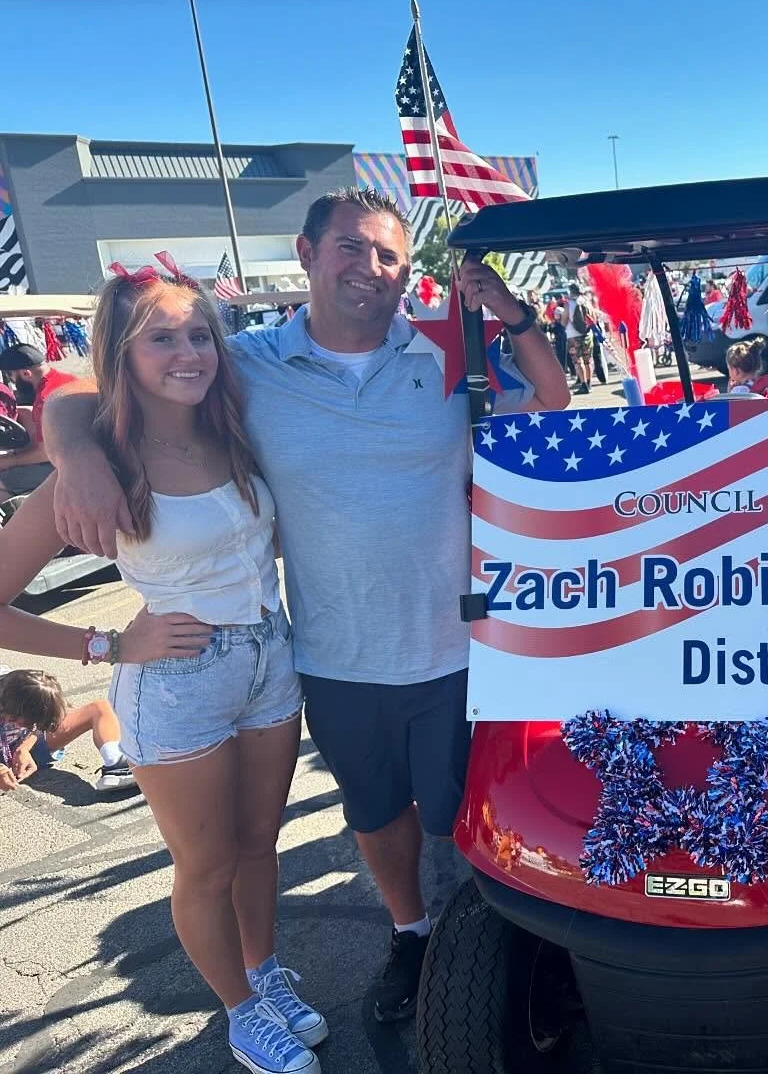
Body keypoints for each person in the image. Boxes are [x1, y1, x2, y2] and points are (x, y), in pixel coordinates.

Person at [44, 187, 569, 1029]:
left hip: (463, 645)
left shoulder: (441, 350)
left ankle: (498, 947)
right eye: (352, 249)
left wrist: (511, 314)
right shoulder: (245, 362)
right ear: (308, 251)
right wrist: (73, 454)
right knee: (373, 812)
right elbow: (87, 375)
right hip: (328, 655)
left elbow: (554, 404)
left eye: (389, 255)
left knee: (471, 814)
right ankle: (413, 933)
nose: (371, 269)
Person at [0, 264, 329, 1074]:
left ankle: (263, 973)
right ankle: (240, 1011)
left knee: (259, 843)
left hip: (269, 658)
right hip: (174, 681)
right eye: (161, 337)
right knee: (207, 864)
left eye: (197, 334)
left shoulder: (232, 423)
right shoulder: (102, 461)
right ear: (122, 349)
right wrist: (104, 646)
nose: (188, 352)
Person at [0, 669, 135, 793]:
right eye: (13, 719)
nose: (21, 725)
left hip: (21, 750)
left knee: (99, 708)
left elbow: (41, 726)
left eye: (30, 723)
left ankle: (117, 765)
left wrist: (23, 748)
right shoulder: (7, 690)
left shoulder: (26, 687)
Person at [0, 343, 78, 502]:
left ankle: (18, 523)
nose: (12, 382)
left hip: (70, 466)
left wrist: (9, 461)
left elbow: (45, 454)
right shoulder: (67, 380)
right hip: (82, 455)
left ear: (26, 373)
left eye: (12, 376)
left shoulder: (46, 398)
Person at [563, 283, 595, 394]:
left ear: (571, 291)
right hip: (587, 334)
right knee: (588, 360)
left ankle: (583, 384)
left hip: (573, 336)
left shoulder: (569, 304)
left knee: (577, 362)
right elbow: (593, 317)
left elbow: (564, 320)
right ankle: (590, 384)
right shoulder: (586, 301)